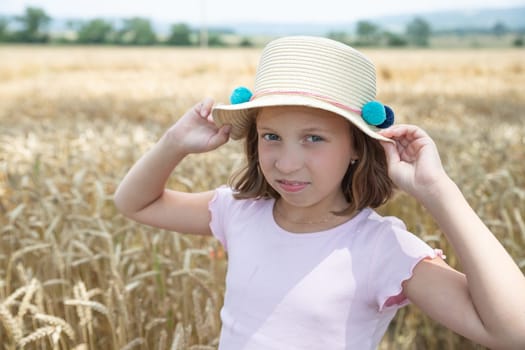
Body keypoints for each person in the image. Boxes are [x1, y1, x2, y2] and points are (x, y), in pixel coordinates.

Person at [114, 36, 525, 349]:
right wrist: (174, 142)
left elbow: (513, 332)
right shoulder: (240, 211)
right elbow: (135, 203)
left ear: (355, 148)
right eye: (271, 136)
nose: (286, 162)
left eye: (314, 138)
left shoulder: (382, 248)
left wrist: (439, 191)